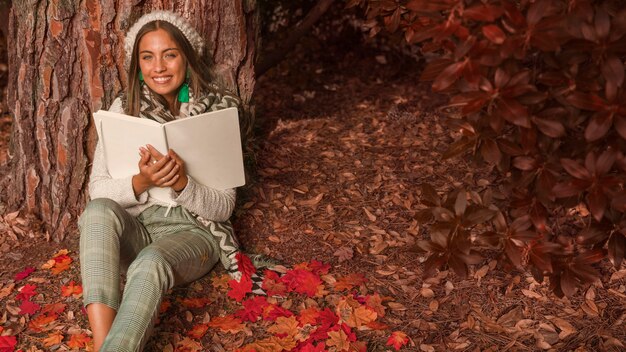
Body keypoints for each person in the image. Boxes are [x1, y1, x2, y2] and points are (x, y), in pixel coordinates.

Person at [79, 11, 258, 352]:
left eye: (169, 54)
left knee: (151, 262)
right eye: (147, 57)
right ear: (138, 64)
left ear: (187, 58)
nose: (158, 67)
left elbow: (223, 207)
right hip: (139, 227)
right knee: (99, 210)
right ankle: (105, 344)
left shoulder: (216, 114)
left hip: (193, 233)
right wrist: (141, 182)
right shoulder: (123, 108)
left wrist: (182, 185)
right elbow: (97, 191)